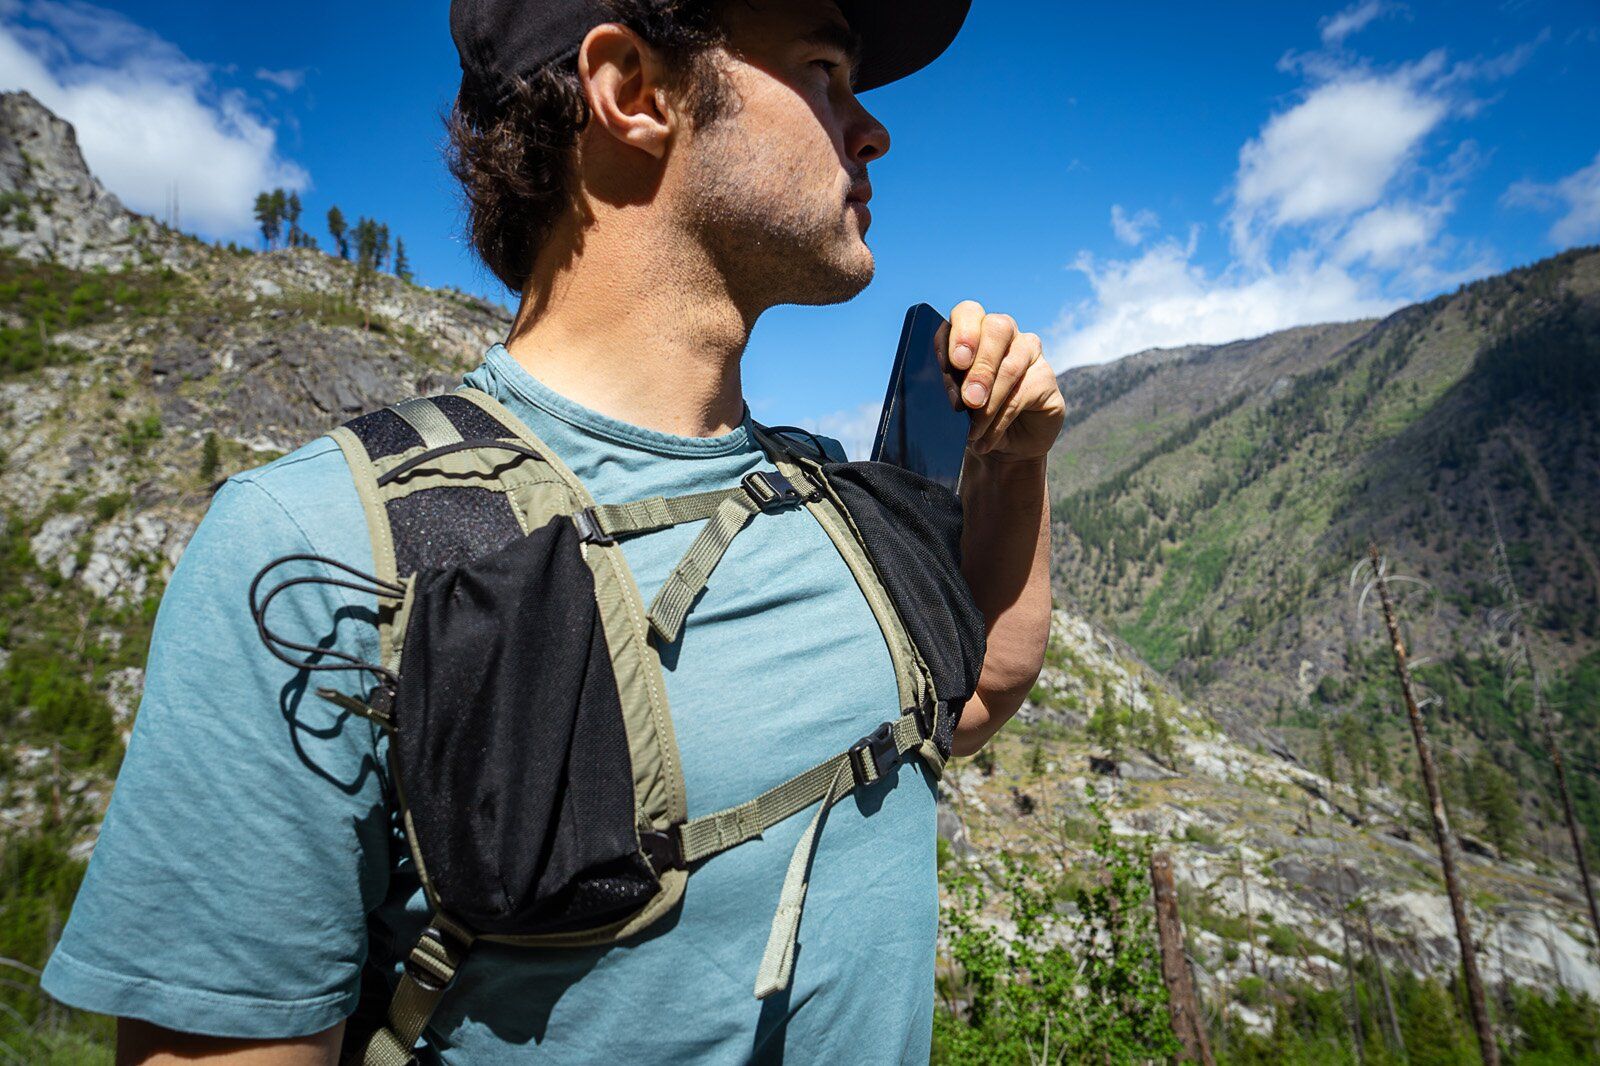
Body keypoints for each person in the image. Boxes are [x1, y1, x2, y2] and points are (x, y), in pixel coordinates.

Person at [41, 0, 1065, 1061]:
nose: (871, 129)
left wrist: (1013, 467)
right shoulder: (315, 545)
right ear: (631, 91)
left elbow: (967, 693)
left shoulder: (827, 496)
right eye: (822, 70)